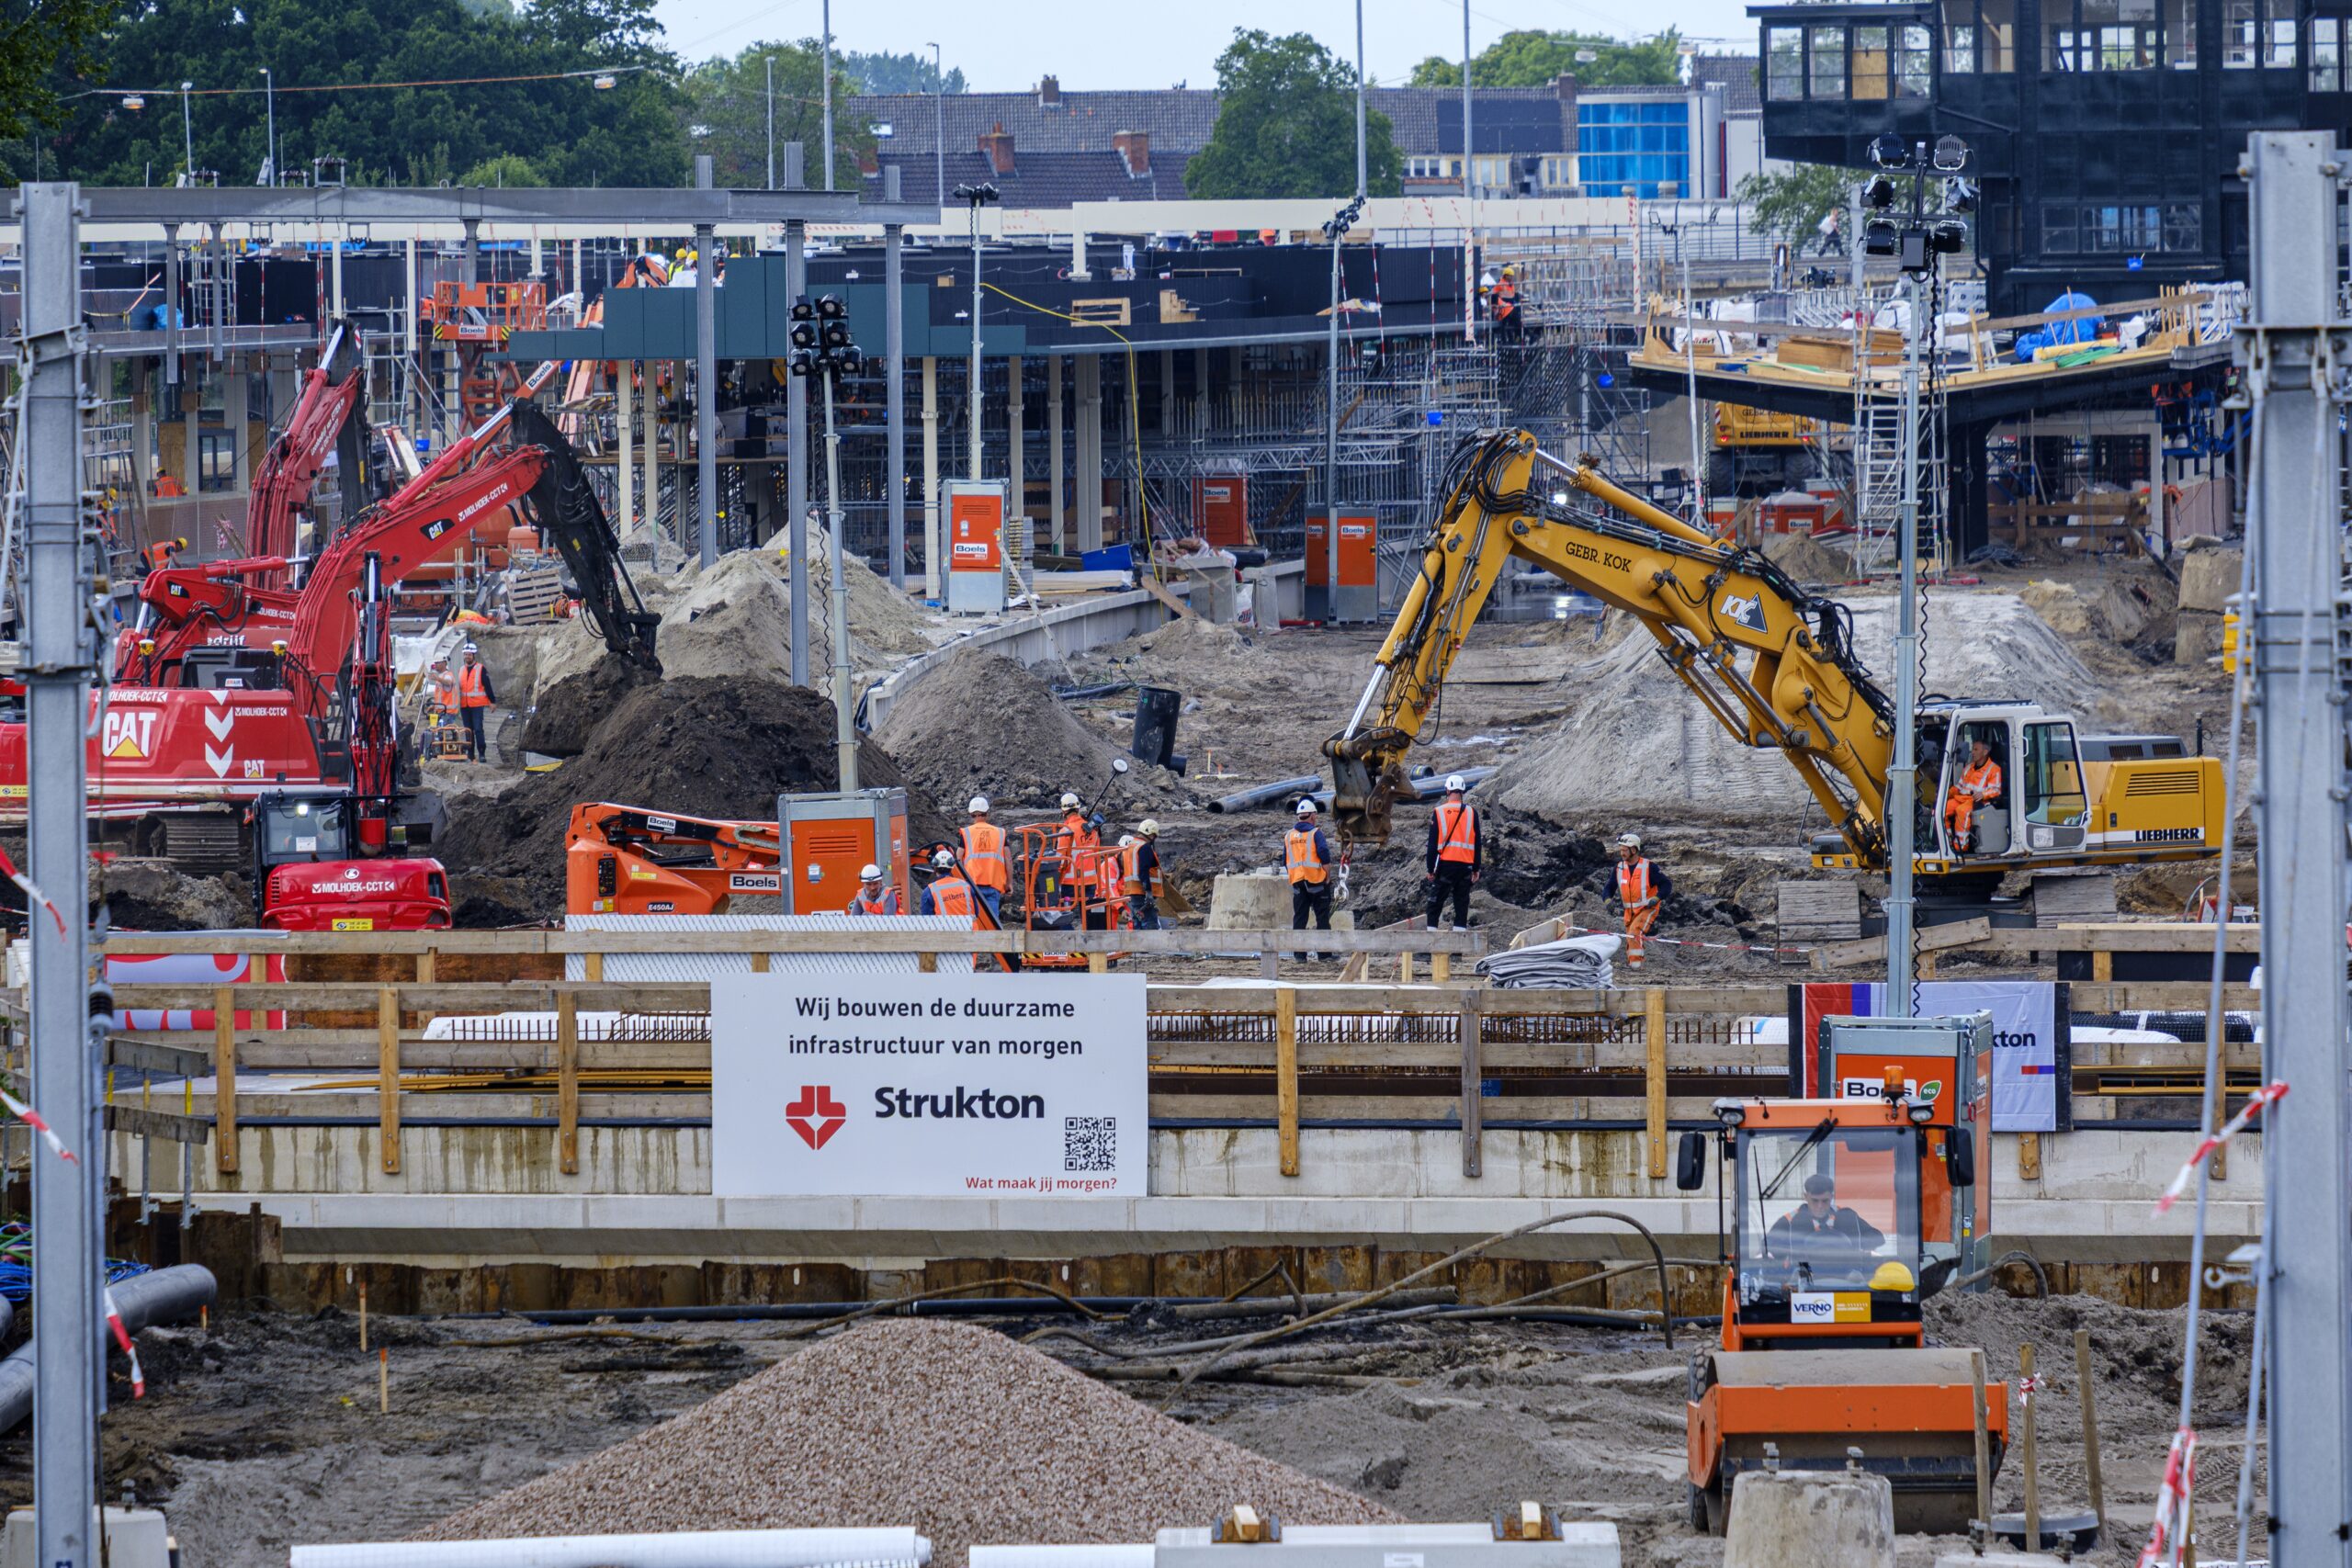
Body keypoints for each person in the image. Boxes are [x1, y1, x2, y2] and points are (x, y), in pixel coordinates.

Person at [1766, 1174, 1886, 1271]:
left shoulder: (1847, 1217)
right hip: (1804, 1278)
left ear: (1832, 1197)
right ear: (1806, 1197)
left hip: (1849, 1277)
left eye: (1825, 1201)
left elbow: (1878, 1238)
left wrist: (1855, 1247)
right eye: (1815, 1201)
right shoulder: (1790, 1221)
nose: (1820, 1206)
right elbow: (1767, 1247)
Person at [1423, 773, 1480, 932]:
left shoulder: (1439, 812)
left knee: (1434, 904)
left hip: (1446, 865)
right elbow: (1477, 843)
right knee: (1461, 906)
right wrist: (1476, 868)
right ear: (1463, 791)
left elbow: (1432, 845)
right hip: (1465, 866)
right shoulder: (1472, 813)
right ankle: (1458, 944)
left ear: (1447, 790)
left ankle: (1430, 941)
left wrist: (1430, 869)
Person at [918, 848, 982, 968]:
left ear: (935, 867)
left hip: (946, 938)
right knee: (968, 970)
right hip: (970, 934)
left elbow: (927, 922)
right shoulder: (965, 886)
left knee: (949, 972)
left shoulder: (930, 891)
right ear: (952, 867)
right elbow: (976, 913)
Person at [1614, 832, 1668, 970]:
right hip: (1630, 912)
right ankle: (1634, 965)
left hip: (1648, 908)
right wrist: (1607, 900)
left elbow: (1666, 885)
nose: (1622, 853)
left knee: (1634, 932)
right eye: (1621, 850)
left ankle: (1636, 966)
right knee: (1630, 936)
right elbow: (1609, 887)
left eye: (1624, 850)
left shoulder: (1649, 867)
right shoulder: (1619, 868)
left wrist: (1657, 898)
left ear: (1634, 850)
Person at [1285, 799, 1336, 943]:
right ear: (1313, 816)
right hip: (1317, 882)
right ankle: (1324, 952)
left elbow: (1285, 860)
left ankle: (1299, 953)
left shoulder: (1289, 835)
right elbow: (1324, 853)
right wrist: (1327, 875)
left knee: (1299, 919)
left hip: (1298, 883)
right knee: (1322, 918)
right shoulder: (1315, 833)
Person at [1945, 736, 2003, 853]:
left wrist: (1983, 794)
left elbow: (1996, 790)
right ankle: (1947, 840)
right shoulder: (1968, 768)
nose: (1972, 752)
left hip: (1977, 802)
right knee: (1941, 810)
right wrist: (1947, 793)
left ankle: (1961, 848)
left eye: (1976, 749)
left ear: (1985, 752)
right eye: (1972, 749)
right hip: (1961, 798)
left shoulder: (1994, 769)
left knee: (1962, 811)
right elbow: (1959, 787)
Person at [959, 795, 1008, 922]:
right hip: (994, 884)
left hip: (972, 885)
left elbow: (957, 859)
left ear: (971, 814)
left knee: (973, 923)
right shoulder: (1000, 833)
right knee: (992, 924)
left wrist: (961, 883)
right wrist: (1009, 883)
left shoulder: (966, 833)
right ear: (987, 813)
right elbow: (1008, 860)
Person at [1122, 819, 1165, 931]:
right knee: (1150, 926)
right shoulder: (1144, 847)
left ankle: (1140, 944)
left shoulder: (1131, 846)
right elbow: (1143, 870)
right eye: (1154, 836)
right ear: (1151, 834)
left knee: (1138, 926)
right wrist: (1148, 892)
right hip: (1142, 894)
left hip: (1133, 893)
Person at [456, 642, 496, 763]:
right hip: (464, 705)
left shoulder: (481, 668)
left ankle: (481, 753)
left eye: (469, 654)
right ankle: (470, 754)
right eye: (465, 654)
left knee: (478, 729)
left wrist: (492, 701)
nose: (467, 656)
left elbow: (487, 685)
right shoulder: (461, 670)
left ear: (473, 655)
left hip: (477, 705)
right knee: (468, 730)